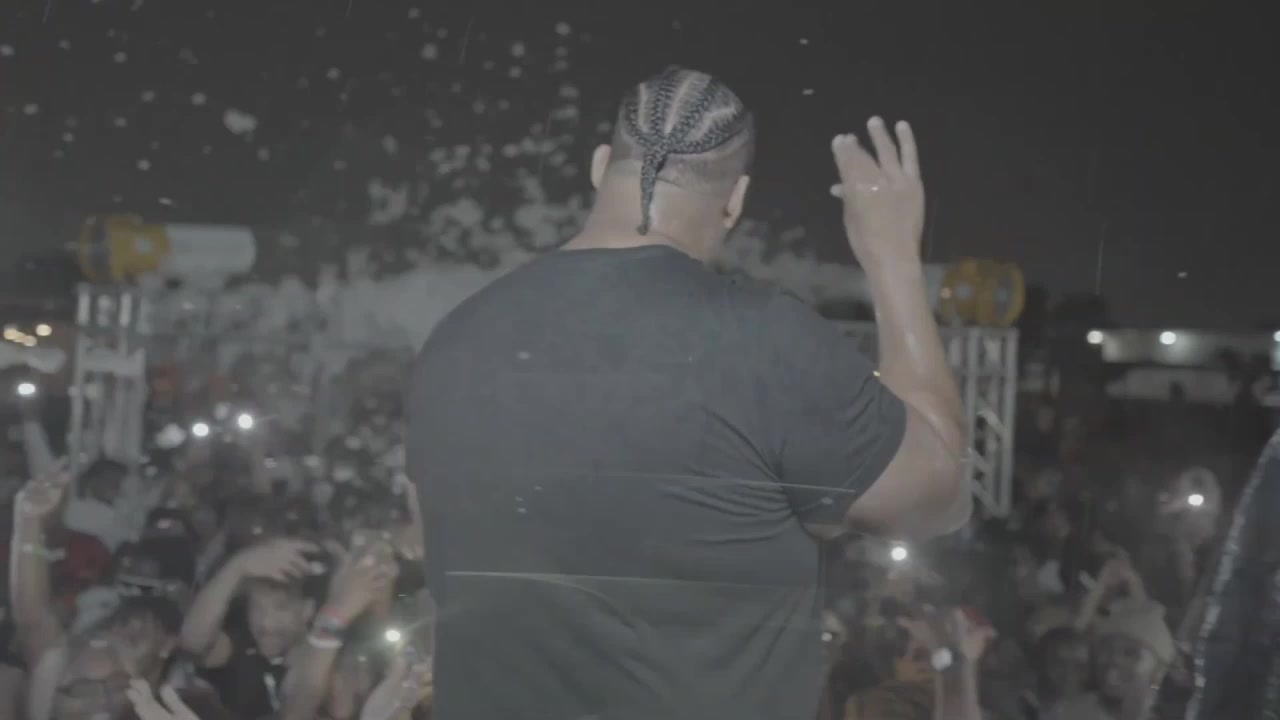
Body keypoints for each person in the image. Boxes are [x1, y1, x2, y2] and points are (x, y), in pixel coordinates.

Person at [408, 66, 970, 720]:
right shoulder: (765, 345)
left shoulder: (451, 342)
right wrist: (892, 254)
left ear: (599, 166)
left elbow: (440, 547)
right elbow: (939, 494)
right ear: (735, 201)